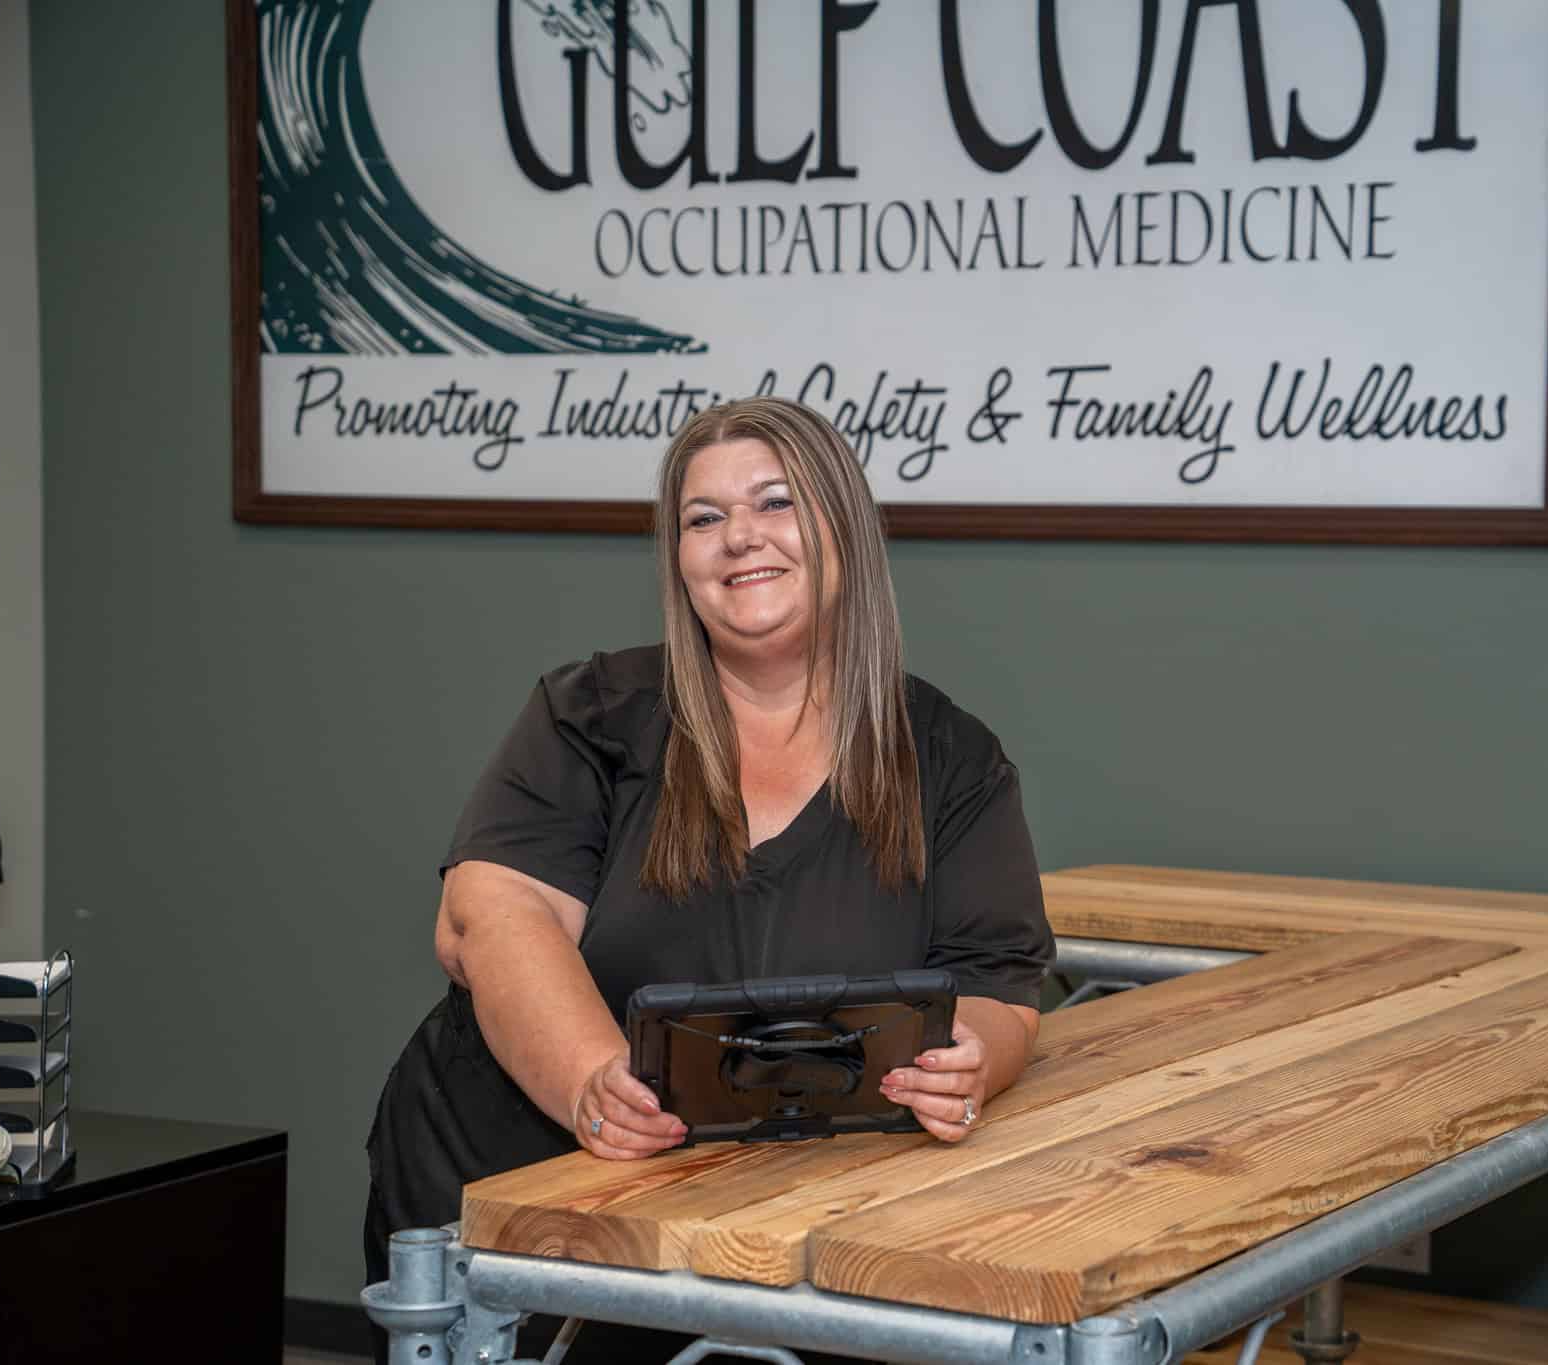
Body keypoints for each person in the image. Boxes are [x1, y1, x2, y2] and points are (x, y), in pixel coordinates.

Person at [363, 397, 1054, 1358]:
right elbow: (489, 914)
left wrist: (965, 1061)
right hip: (529, 1186)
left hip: (780, 1223)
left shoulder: (948, 757)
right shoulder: (592, 714)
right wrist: (591, 1083)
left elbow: (999, 984)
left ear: (842, 528)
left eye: (775, 503)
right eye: (703, 517)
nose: (740, 539)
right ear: (677, 556)